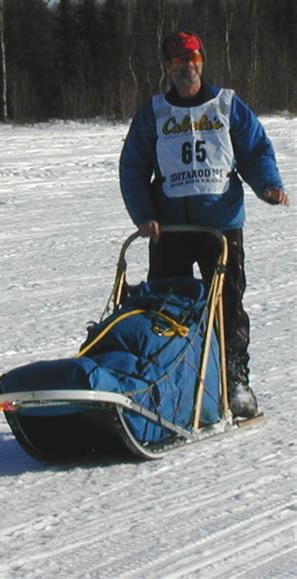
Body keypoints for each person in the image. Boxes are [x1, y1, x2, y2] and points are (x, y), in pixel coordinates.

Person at [119, 30, 289, 418]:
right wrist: (143, 214)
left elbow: (255, 150)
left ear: (203, 61)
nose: (188, 67)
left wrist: (268, 185)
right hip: (169, 230)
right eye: (180, 60)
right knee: (167, 310)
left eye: (194, 58)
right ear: (168, 67)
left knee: (228, 305)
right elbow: (133, 166)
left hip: (221, 227)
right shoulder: (154, 112)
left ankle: (235, 381)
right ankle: (169, 381)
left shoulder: (227, 105)